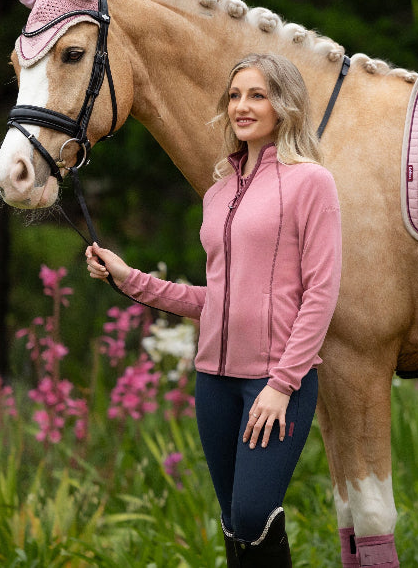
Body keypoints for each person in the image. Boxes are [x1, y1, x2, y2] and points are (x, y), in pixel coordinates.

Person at [85, 53, 342, 567]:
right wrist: (129, 279)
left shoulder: (311, 181)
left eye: (257, 95)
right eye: (234, 96)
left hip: (275, 383)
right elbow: (216, 299)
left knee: (252, 514)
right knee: (231, 522)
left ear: (284, 105)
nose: (242, 107)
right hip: (214, 382)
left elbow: (321, 291)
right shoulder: (219, 190)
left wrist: (282, 383)